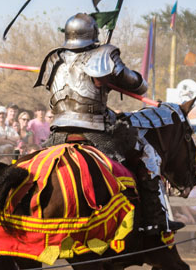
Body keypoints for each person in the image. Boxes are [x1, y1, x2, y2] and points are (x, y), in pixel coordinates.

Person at [35, 12, 183, 234]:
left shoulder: (54, 58)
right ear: (93, 33)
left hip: (58, 130)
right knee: (147, 155)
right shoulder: (103, 54)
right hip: (94, 128)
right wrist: (114, 69)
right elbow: (136, 85)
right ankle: (155, 220)